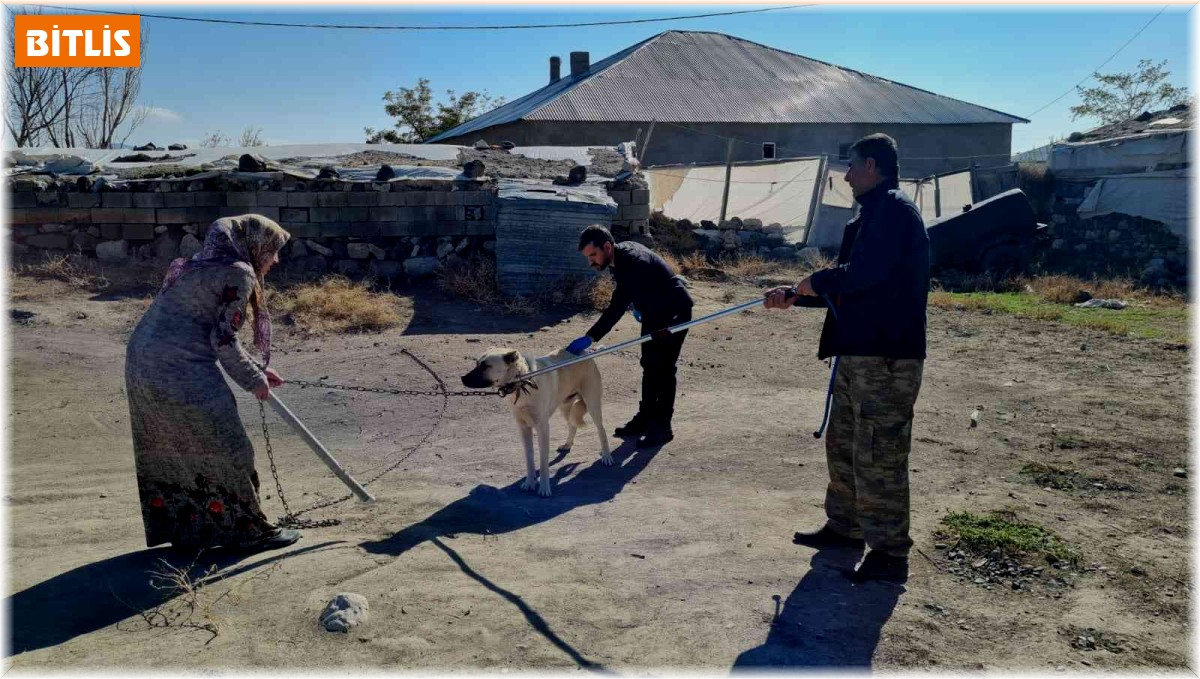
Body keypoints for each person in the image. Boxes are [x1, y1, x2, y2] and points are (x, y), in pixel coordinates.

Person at [763, 133, 929, 583]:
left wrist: (813, 281)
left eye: (852, 166)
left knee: (879, 452)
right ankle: (846, 527)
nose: (847, 175)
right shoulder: (869, 218)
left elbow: (866, 275)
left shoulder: (894, 211)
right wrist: (796, 297)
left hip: (886, 356)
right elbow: (850, 289)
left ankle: (890, 552)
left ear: (873, 166)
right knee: (844, 444)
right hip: (856, 352)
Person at [125, 214, 299, 552]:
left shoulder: (201, 264)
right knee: (228, 445)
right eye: (273, 251)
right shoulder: (239, 271)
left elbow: (213, 331)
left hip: (141, 364)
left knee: (172, 449)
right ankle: (249, 532)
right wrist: (253, 380)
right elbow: (222, 340)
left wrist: (257, 370)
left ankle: (189, 532)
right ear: (255, 246)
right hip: (177, 369)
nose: (275, 259)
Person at [567, 225, 693, 448]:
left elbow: (616, 306)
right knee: (649, 365)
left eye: (593, 255)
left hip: (673, 313)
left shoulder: (633, 262)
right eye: (588, 257)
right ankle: (645, 418)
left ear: (607, 246)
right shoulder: (618, 259)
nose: (591, 262)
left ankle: (663, 426)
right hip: (654, 314)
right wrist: (641, 306)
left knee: (664, 369)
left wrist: (591, 337)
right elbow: (641, 288)